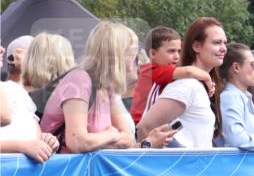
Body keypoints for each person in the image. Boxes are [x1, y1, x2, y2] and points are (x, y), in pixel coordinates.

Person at [41, 22, 175, 152]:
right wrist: (111, 134)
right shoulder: (79, 81)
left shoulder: (106, 88)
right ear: (117, 57)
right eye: (135, 55)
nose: (139, 63)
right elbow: (77, 142)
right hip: (65, 172)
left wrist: (97, 141)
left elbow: (128, 139)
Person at [137, 17, 227, 149]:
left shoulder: (197, 85)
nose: (224, 48)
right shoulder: (187, 85)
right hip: (179, 168)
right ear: (196, 46)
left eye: (225, 43)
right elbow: (145, 128)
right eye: (217, 42)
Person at [131, 26, 215, 125]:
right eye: (171, 51)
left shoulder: (162, 72)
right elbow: (189, 72)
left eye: (179, 51)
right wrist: (207, 78)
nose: (177, 56)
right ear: (153, 54)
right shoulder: (151, 71)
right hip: (141, 125)